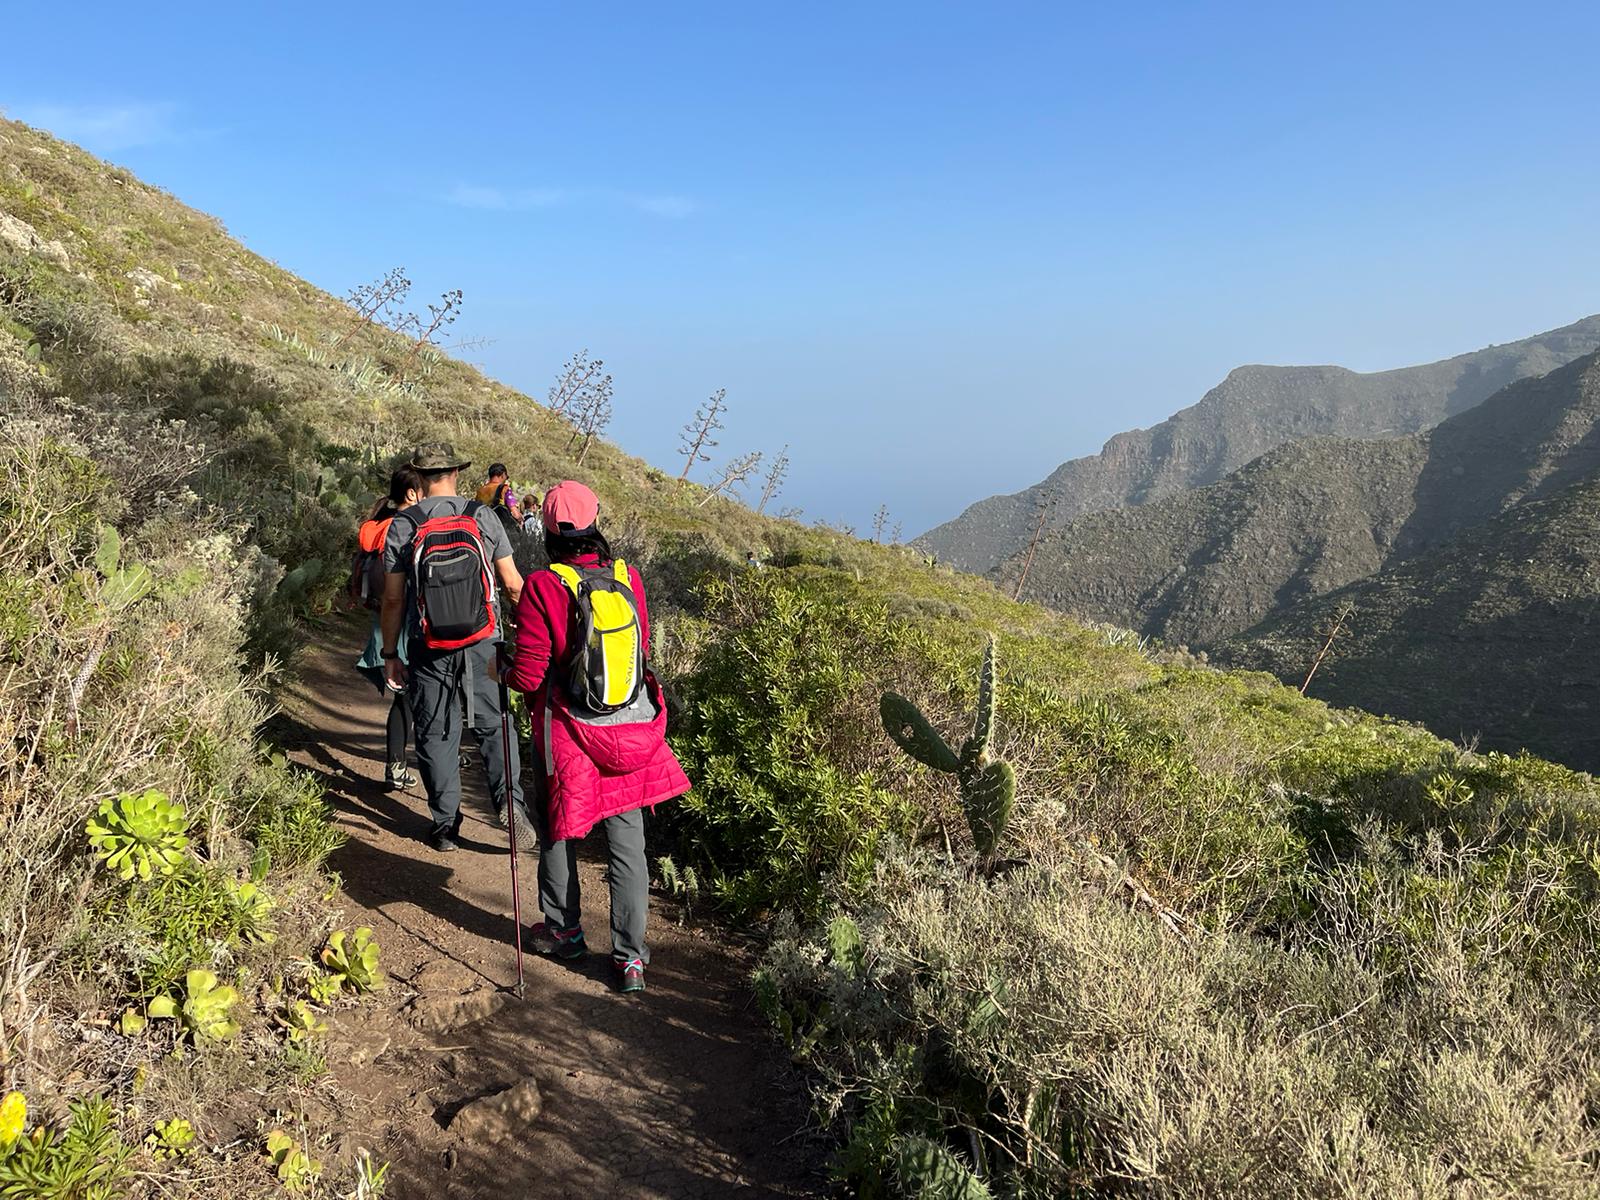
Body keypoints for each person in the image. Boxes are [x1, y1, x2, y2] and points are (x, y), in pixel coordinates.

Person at [505, 480, 690, 994]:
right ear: (596, 521)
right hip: (631, 728)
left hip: (570, 731)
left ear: (546, 527)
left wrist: (505, 669)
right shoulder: (628, 576)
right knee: (628, 840)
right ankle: (631, 959)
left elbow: (528, 675)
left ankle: (564, 931)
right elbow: (640, 649)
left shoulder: (545, 585)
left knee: (560, 826)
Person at [380, 443, 528, 852]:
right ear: (457, 473)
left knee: (435, 732)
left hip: (428, 644)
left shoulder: (404, 524)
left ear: (419, 477)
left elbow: (392, 599)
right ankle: (510, 805)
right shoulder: (481, 516)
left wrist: (390, 655)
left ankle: (446, 825)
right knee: (494, 725)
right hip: (484, 640)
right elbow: (513, 584)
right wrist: (526, 634)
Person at [354, 467, 423, 789]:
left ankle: (401, 763)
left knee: (407, 695)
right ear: (412, 493)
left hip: (387, 621)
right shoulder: (406, 527)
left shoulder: (382, 524)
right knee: (410, 696)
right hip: (407, 621)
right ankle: (397, 766)